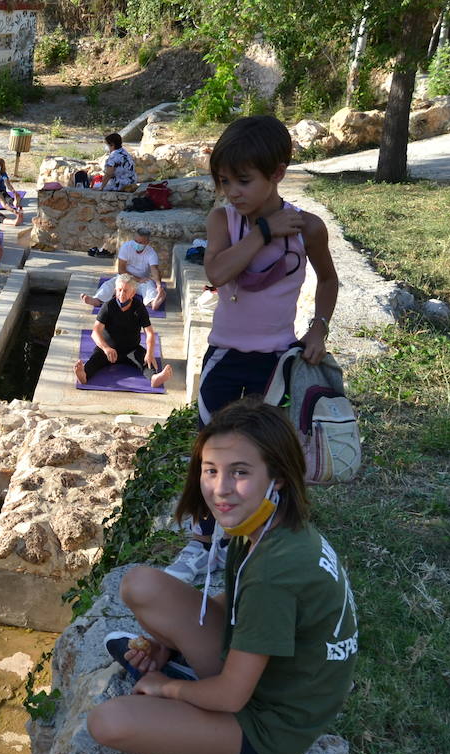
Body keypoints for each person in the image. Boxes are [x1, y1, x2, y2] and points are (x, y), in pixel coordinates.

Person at [86, 398, 358, 754]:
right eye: (210, 470)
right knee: (141, 585)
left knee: (108, 722)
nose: (220, 488)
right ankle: (180, 667)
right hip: (259, 675)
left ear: (276, 476)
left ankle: (184, 682)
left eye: (240, 472)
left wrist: (168, 688)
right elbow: (233, 602)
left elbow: (231, 697)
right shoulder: (268, 525)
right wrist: (166, 642)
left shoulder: (273, 571)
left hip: (268, 722)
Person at [164, 115, 338, 586]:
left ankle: (258, 536)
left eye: (244, 180)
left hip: (276, 362)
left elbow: (328, 279)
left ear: (278, 172)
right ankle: (203, 544)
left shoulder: (309, 229)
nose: (232, 191)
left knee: (262, 454)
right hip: (225, 355)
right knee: (211, 450)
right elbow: (218, 273)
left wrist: (319, 327)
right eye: (224, 181)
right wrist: (264, 231)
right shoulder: (224, 220)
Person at [75, 273, 173, 389]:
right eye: (119, 290)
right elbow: (95, 332)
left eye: (126, 291)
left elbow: (149, 332)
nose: (122, 294)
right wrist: (106, 348)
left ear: (133, 293)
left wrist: (150, 352)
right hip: (109, 350)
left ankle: (154, 378)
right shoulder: (108, 306)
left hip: (131, 349)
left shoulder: (139, 307)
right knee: (95, 359)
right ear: (115, 290)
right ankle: (84, 375)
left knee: (146, 361)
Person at [77, 228, 165, 310]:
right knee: (110, 284)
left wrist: (159, 285)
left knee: (150, 287)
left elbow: (155, 270)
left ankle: (155, 300)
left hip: (142, 281)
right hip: (126, 277)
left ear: (147, 242)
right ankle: (97, 299)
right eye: (136, 241)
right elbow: (121, 270)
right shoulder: (126, 247)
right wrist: (137, 279)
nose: (137, 244)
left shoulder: (151, 253)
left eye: (141, 242)